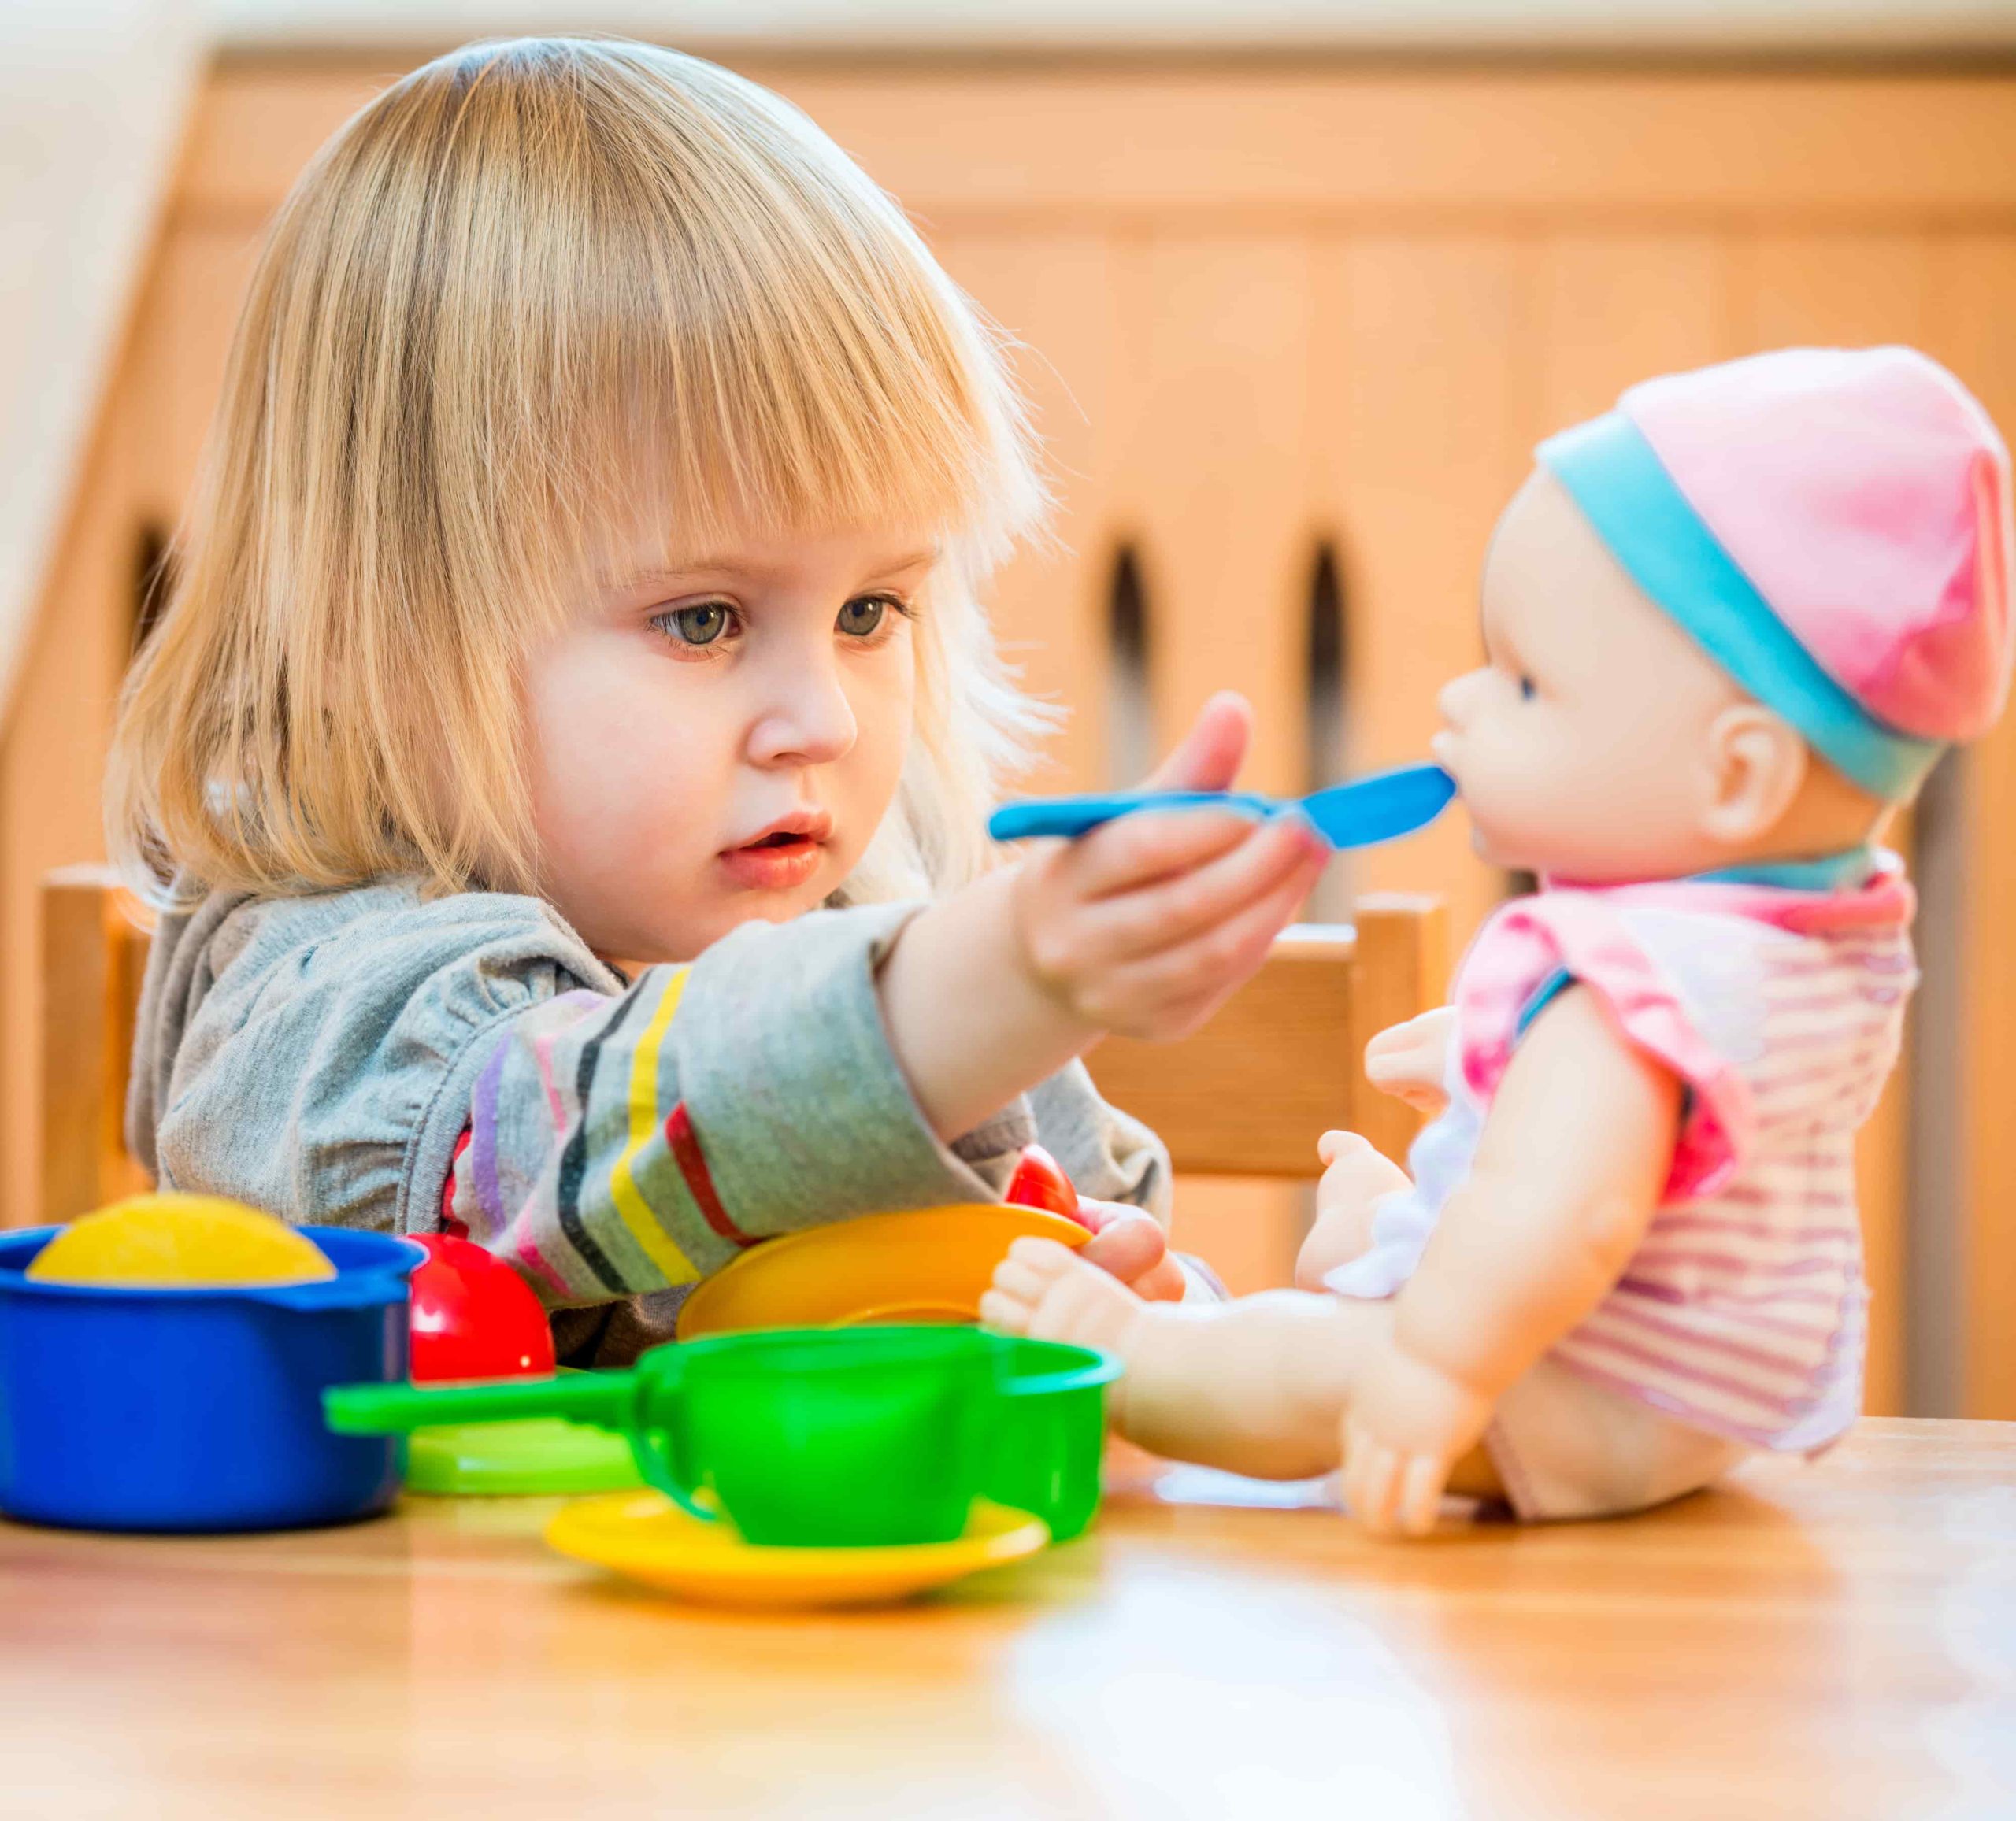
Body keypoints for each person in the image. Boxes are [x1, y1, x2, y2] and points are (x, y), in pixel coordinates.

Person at [108, 39, 1326, 1364]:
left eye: (872, 611)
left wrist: (1156, 1324)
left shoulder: (882, 914)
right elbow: (551, 1155)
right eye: (704, 619)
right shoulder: (323, 990)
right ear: (371, 636)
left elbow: (1116, 1259)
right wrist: (987, 979)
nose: (830, 720)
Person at [985, 346, 2011, 1530]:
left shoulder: (1618, 991)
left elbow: (1564, 1211)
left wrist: (1427, 1372)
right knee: (1420, 1246)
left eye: (1527, 686)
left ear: (1737, 774)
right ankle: (1383, 1239)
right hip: (1694, 1397)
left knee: (1305, 1355)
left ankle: (1134, 1359)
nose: (1462, 706)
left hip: (1557, 1386)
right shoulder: (1818, 937)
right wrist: (1500, 1068)